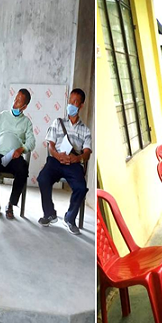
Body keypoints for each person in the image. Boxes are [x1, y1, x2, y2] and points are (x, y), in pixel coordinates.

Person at [37, 88, 91, 235]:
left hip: (73, 164)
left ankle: (70, 218)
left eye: (75, 102)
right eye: (70, 101)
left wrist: (77, 158)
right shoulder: (58, 122)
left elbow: (87, 152)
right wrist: (56, 155)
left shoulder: (85, 130)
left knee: (81, 187)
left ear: (81, 105)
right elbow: (51, 145)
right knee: (43, 178)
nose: (71, 105)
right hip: (56, 160)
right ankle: (49, 213)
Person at [0, 88, 36, 219]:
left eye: (19, 101)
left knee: (23, 169)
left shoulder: (26, 123)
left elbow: (31, 142)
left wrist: (21, 149)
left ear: (24, 106)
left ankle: (11, 204)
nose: (15, 103)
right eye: (15, 99)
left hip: (14, 156)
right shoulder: (2, 116)